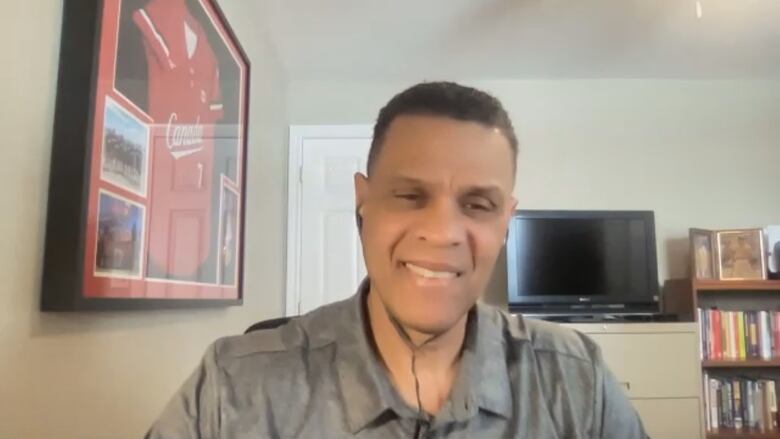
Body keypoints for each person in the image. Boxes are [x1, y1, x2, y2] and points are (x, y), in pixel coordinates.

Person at [145, 82, 647, 438]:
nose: (443, 233)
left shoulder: (579, 383)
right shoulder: (231, 389)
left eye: (477, 205)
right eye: (409, 195)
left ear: (505, 219)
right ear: (363, 200)